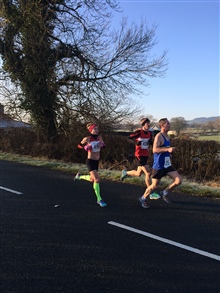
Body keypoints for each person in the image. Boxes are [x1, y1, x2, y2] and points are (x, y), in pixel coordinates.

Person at [139, 118, 182, 208]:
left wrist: (168, 153)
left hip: (167, 164)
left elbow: (164, 149)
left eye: (169, 123)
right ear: (162, 126)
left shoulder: (167, 136)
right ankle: (143, 198)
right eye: (167, 124)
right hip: (159, 166)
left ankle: (165, 192)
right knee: (154, 186)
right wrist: (167, 149)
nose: (169, 125)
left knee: (178, 180)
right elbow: (155, 150)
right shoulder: (159, 136)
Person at [74, 123, 107, 207]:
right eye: (95, 129)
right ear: (91, 130)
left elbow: (104, 145)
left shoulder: (99, 138)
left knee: (92, 179)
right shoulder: (87, 138)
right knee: (97, 179)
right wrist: (86, 147)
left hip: (97, 161)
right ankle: (99, 199)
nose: (96, 130)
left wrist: (102, 145)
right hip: (90, 161)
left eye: (97, 129)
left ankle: (79, 177)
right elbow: (79, 145)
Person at [120, 118, 156, 190]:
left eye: (149, 123)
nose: (148, 125)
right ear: (143, 124)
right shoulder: (139, 132)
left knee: (138, 174)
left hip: (145, 154)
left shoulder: (150, 133)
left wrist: (150, 143)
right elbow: (129, 138)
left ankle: (126, 173)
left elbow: (151, 142)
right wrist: (136, 143)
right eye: (147, 124)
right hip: (139, 155)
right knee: (148, 173)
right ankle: (150, 191)